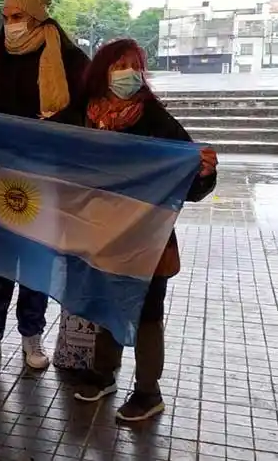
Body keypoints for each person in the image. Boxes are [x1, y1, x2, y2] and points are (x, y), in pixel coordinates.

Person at [58, 39, 217, 422]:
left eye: (135, 64)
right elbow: (33, 134)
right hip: (101, 231)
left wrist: (204, 172)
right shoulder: (82, 111)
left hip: (149, 237)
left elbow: (188, 175)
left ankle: (148, 391)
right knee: (105, 301)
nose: (128, 72)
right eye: (119, 64)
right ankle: (103, 373)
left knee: (146, 312)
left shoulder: (154, 118)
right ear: (103, 69)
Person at [0, 0, 90, 376]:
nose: (10, 24)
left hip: (46, 177)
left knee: (36, 258)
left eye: (17, 16)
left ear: (36, 14)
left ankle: (32, 336)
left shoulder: (68, 59)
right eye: (6, 17)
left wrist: (53, 126)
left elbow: (84, 111)